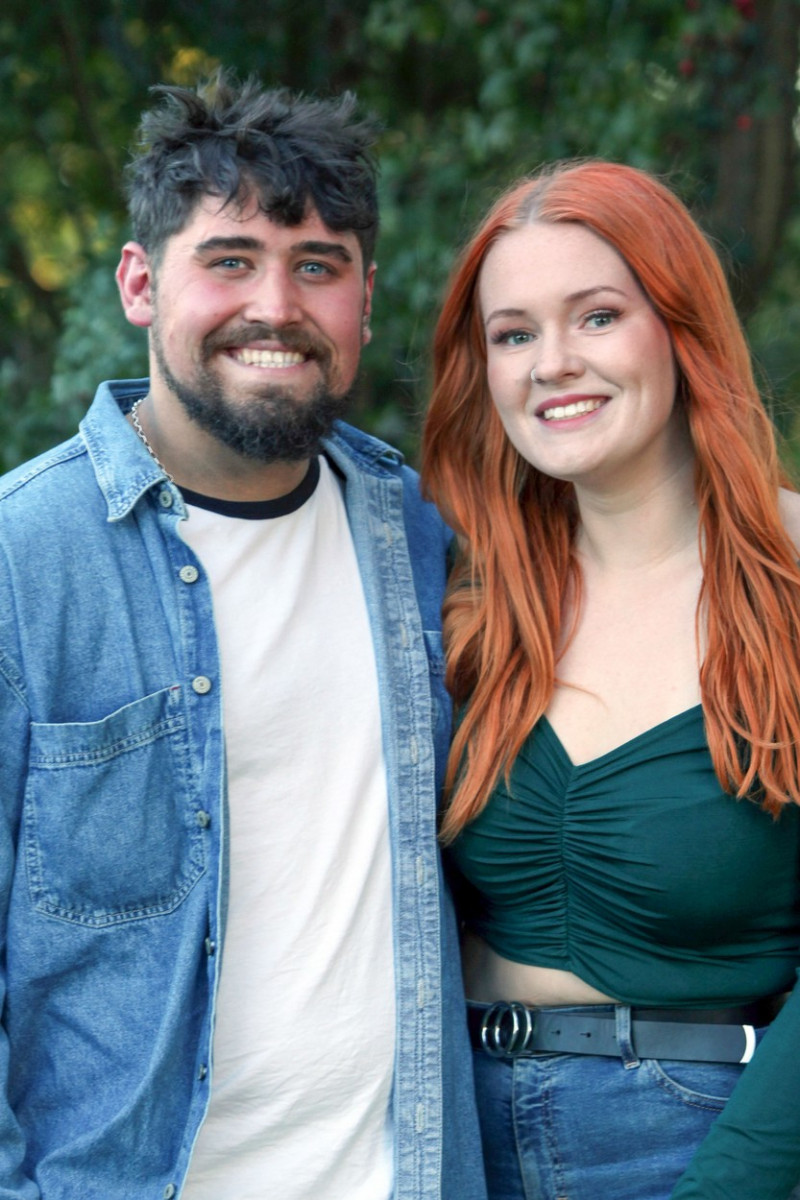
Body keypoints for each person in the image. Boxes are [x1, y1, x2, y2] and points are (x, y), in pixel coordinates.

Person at [0, 70, 487, 1200]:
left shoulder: (421, 538)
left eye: (317, 266)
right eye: (229, 260)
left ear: (364, 304)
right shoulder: (26, 559)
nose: (275, 305)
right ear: (139, 282)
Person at [421, 159, 800, 1200]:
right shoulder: (466, 600)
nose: (550, 364)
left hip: (701, 1144)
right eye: (512, 334)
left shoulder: (788, 584)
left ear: (677, 325)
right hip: (446, 1139)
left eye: (594, 316)